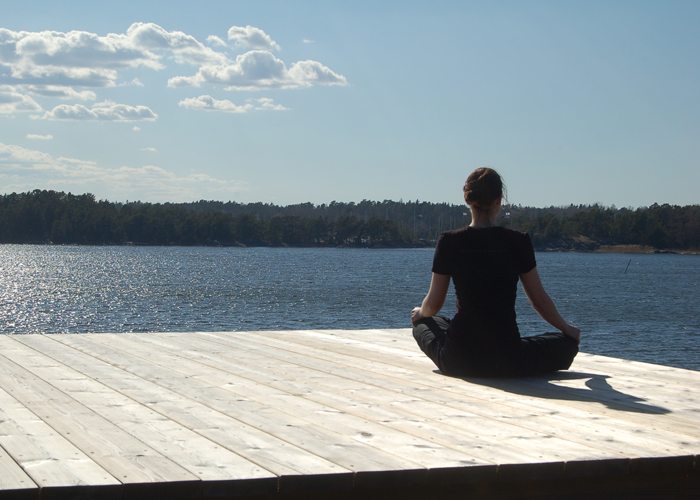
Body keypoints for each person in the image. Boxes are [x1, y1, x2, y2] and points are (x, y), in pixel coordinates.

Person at [411, 167, 580, 377]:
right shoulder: (518, 241)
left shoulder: (449, 242)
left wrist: (420, 313)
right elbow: (538, 300)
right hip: (508, 359)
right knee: (567, 344)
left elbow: (433, 304)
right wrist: (568, 329)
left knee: (423, 323)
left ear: (467, 199)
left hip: (458, 359)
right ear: (499, 200)